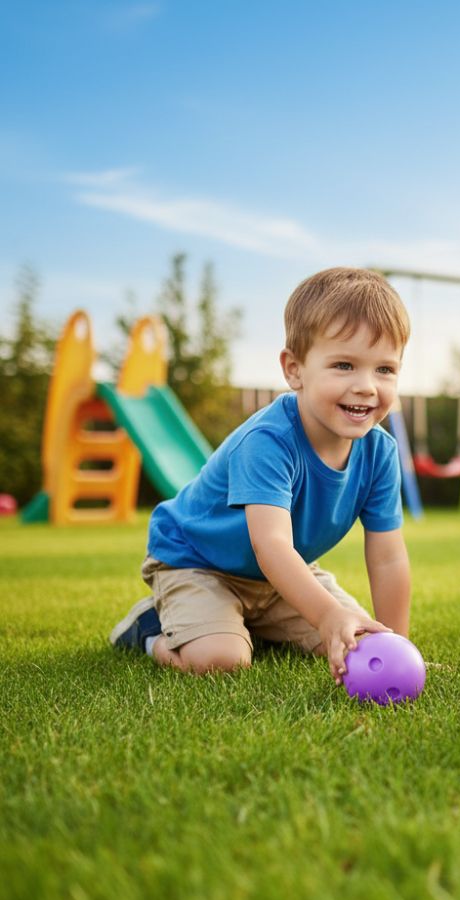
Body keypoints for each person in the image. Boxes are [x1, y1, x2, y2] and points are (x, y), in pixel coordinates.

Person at [109, 267, 412, 681]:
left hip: (282, 576)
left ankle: (244, 623)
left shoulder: (380, 452)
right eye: (344, 365)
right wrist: (325, 615)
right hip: (197, 563)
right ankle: (147, 628)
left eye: (385, 369)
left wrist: (396, 644)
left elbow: (388, 555)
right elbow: (269, 544)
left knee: (358, 641)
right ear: (294, 370)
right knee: (221, 659)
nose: (366, 386)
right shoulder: (269, 440)